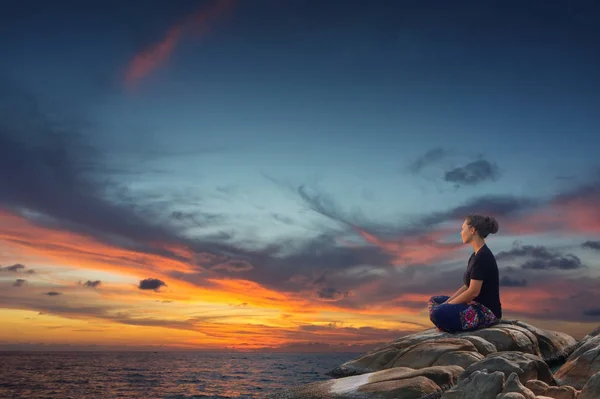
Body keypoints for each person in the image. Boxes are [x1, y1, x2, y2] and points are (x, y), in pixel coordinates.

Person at [428, 215, 502, 333]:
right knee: (435, 301)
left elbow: (473, 292)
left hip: (486, 311)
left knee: (438, 313)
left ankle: (447, 323)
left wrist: (447, 307)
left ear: (472, 230)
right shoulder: (474, 256)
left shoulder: (483, 257)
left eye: (463, 228)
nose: (461, 232)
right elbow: (467, 286)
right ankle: (446, 321)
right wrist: (447, 304)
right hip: (472, 304)